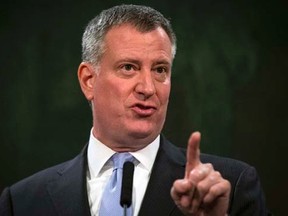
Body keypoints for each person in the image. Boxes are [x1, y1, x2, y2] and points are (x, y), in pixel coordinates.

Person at [0, 4, 269, 216]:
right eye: (129, 67)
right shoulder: (22, 201)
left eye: (160, 70)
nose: (148, 88)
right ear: (88, 80)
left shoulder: (231, 187)